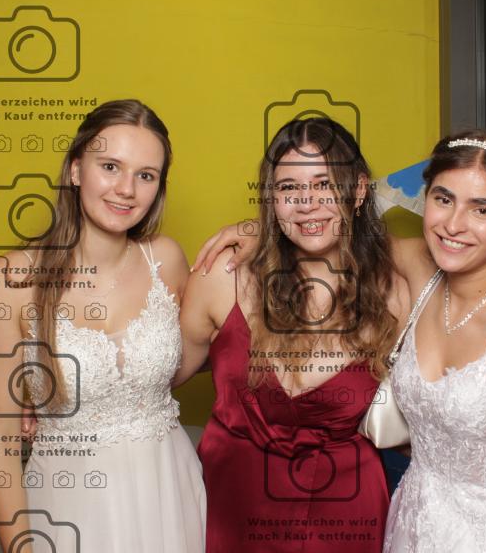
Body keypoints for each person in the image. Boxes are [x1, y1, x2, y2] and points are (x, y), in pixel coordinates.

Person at [193, 130, 486, 552]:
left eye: (482, 209)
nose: (454, 224)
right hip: (415, 519)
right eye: (443, 199)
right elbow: (335, 228)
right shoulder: (420, 269)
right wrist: (264, 229)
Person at [0, 99, 206, 552]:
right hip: (70, 504)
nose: (126, 189)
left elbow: (214, 343)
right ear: (76, 170)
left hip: (169, 493)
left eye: (146, 175)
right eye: (110, 166)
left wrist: (246, 238)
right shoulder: (11, 282)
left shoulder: (166, 259)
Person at [173, 117, 409, 552]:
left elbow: (463, 225)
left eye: (324, 184)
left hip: (347, 514)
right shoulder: (223, 276)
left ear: (359, 189)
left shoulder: (397, 291)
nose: (306, 203)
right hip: (231, 507)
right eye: (288, 189)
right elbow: (155, 383)